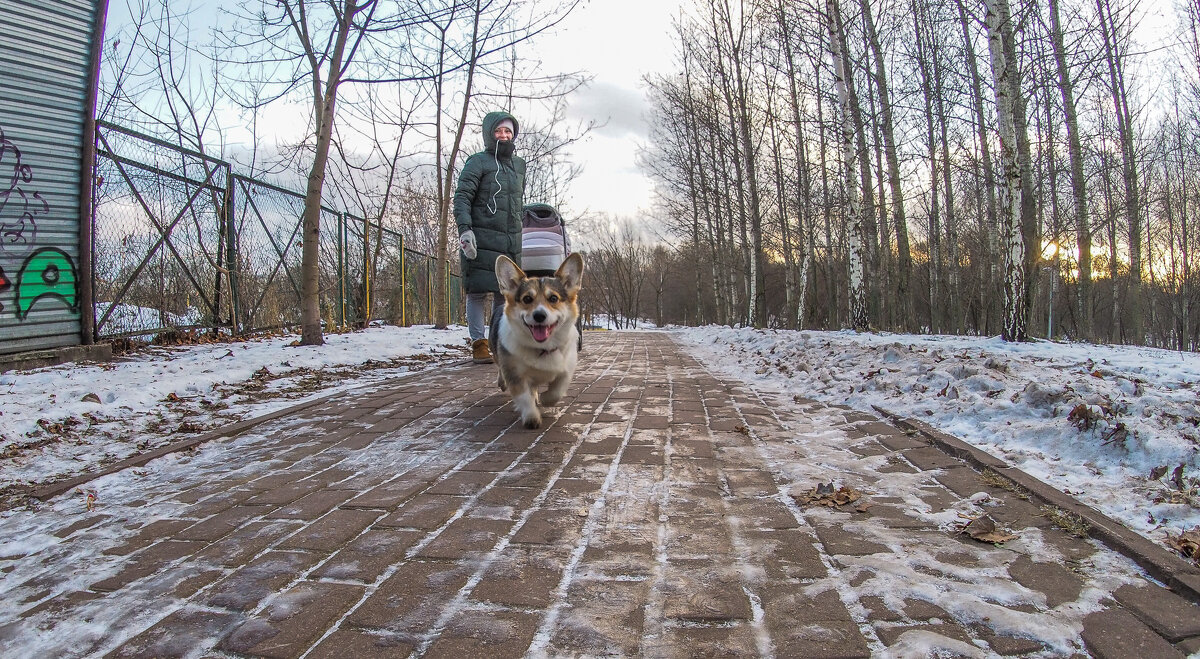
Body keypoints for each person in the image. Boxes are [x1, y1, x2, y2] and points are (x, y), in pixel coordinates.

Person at [454, 111, 526, 364]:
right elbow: (462, 197)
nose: (503, 135)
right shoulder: (477, 162)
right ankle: (478, 344)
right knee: (476, 292)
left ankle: (497, 341)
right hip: (480, 237)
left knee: (502, 293)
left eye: (508, 131)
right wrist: (465, 229)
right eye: (499, 131)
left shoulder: (519, 166)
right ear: (489, 133)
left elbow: (516, 204)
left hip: (509, 241)